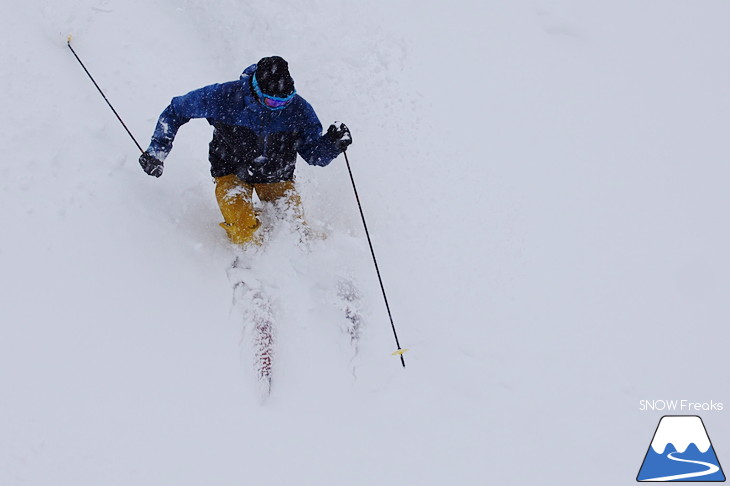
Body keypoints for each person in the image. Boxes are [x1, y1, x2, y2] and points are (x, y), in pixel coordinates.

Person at [139, 56, 352, 245]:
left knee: (295, 230)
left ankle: (305, 267)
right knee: (242, 228)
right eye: (271, 101)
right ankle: (252, 266)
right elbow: (176, 111)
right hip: (231, 171)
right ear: (255, 90)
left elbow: (314, 156)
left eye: (284, 101)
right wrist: (157, 151)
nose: (277, 107)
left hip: (276, 176)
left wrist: (332, 145)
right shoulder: (223, 97)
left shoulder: (299, 110)